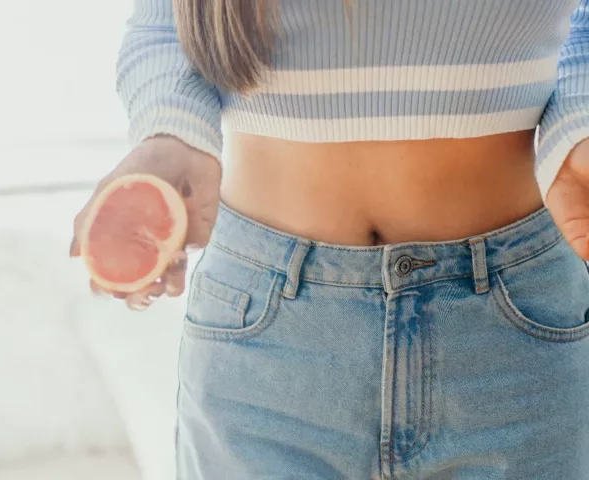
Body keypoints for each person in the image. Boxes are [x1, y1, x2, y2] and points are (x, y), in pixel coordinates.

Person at [70, 1, 589, 478]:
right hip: (262, 348)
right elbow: (168, 20)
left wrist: (579, 126)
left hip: (513, 342)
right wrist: (171, 133)